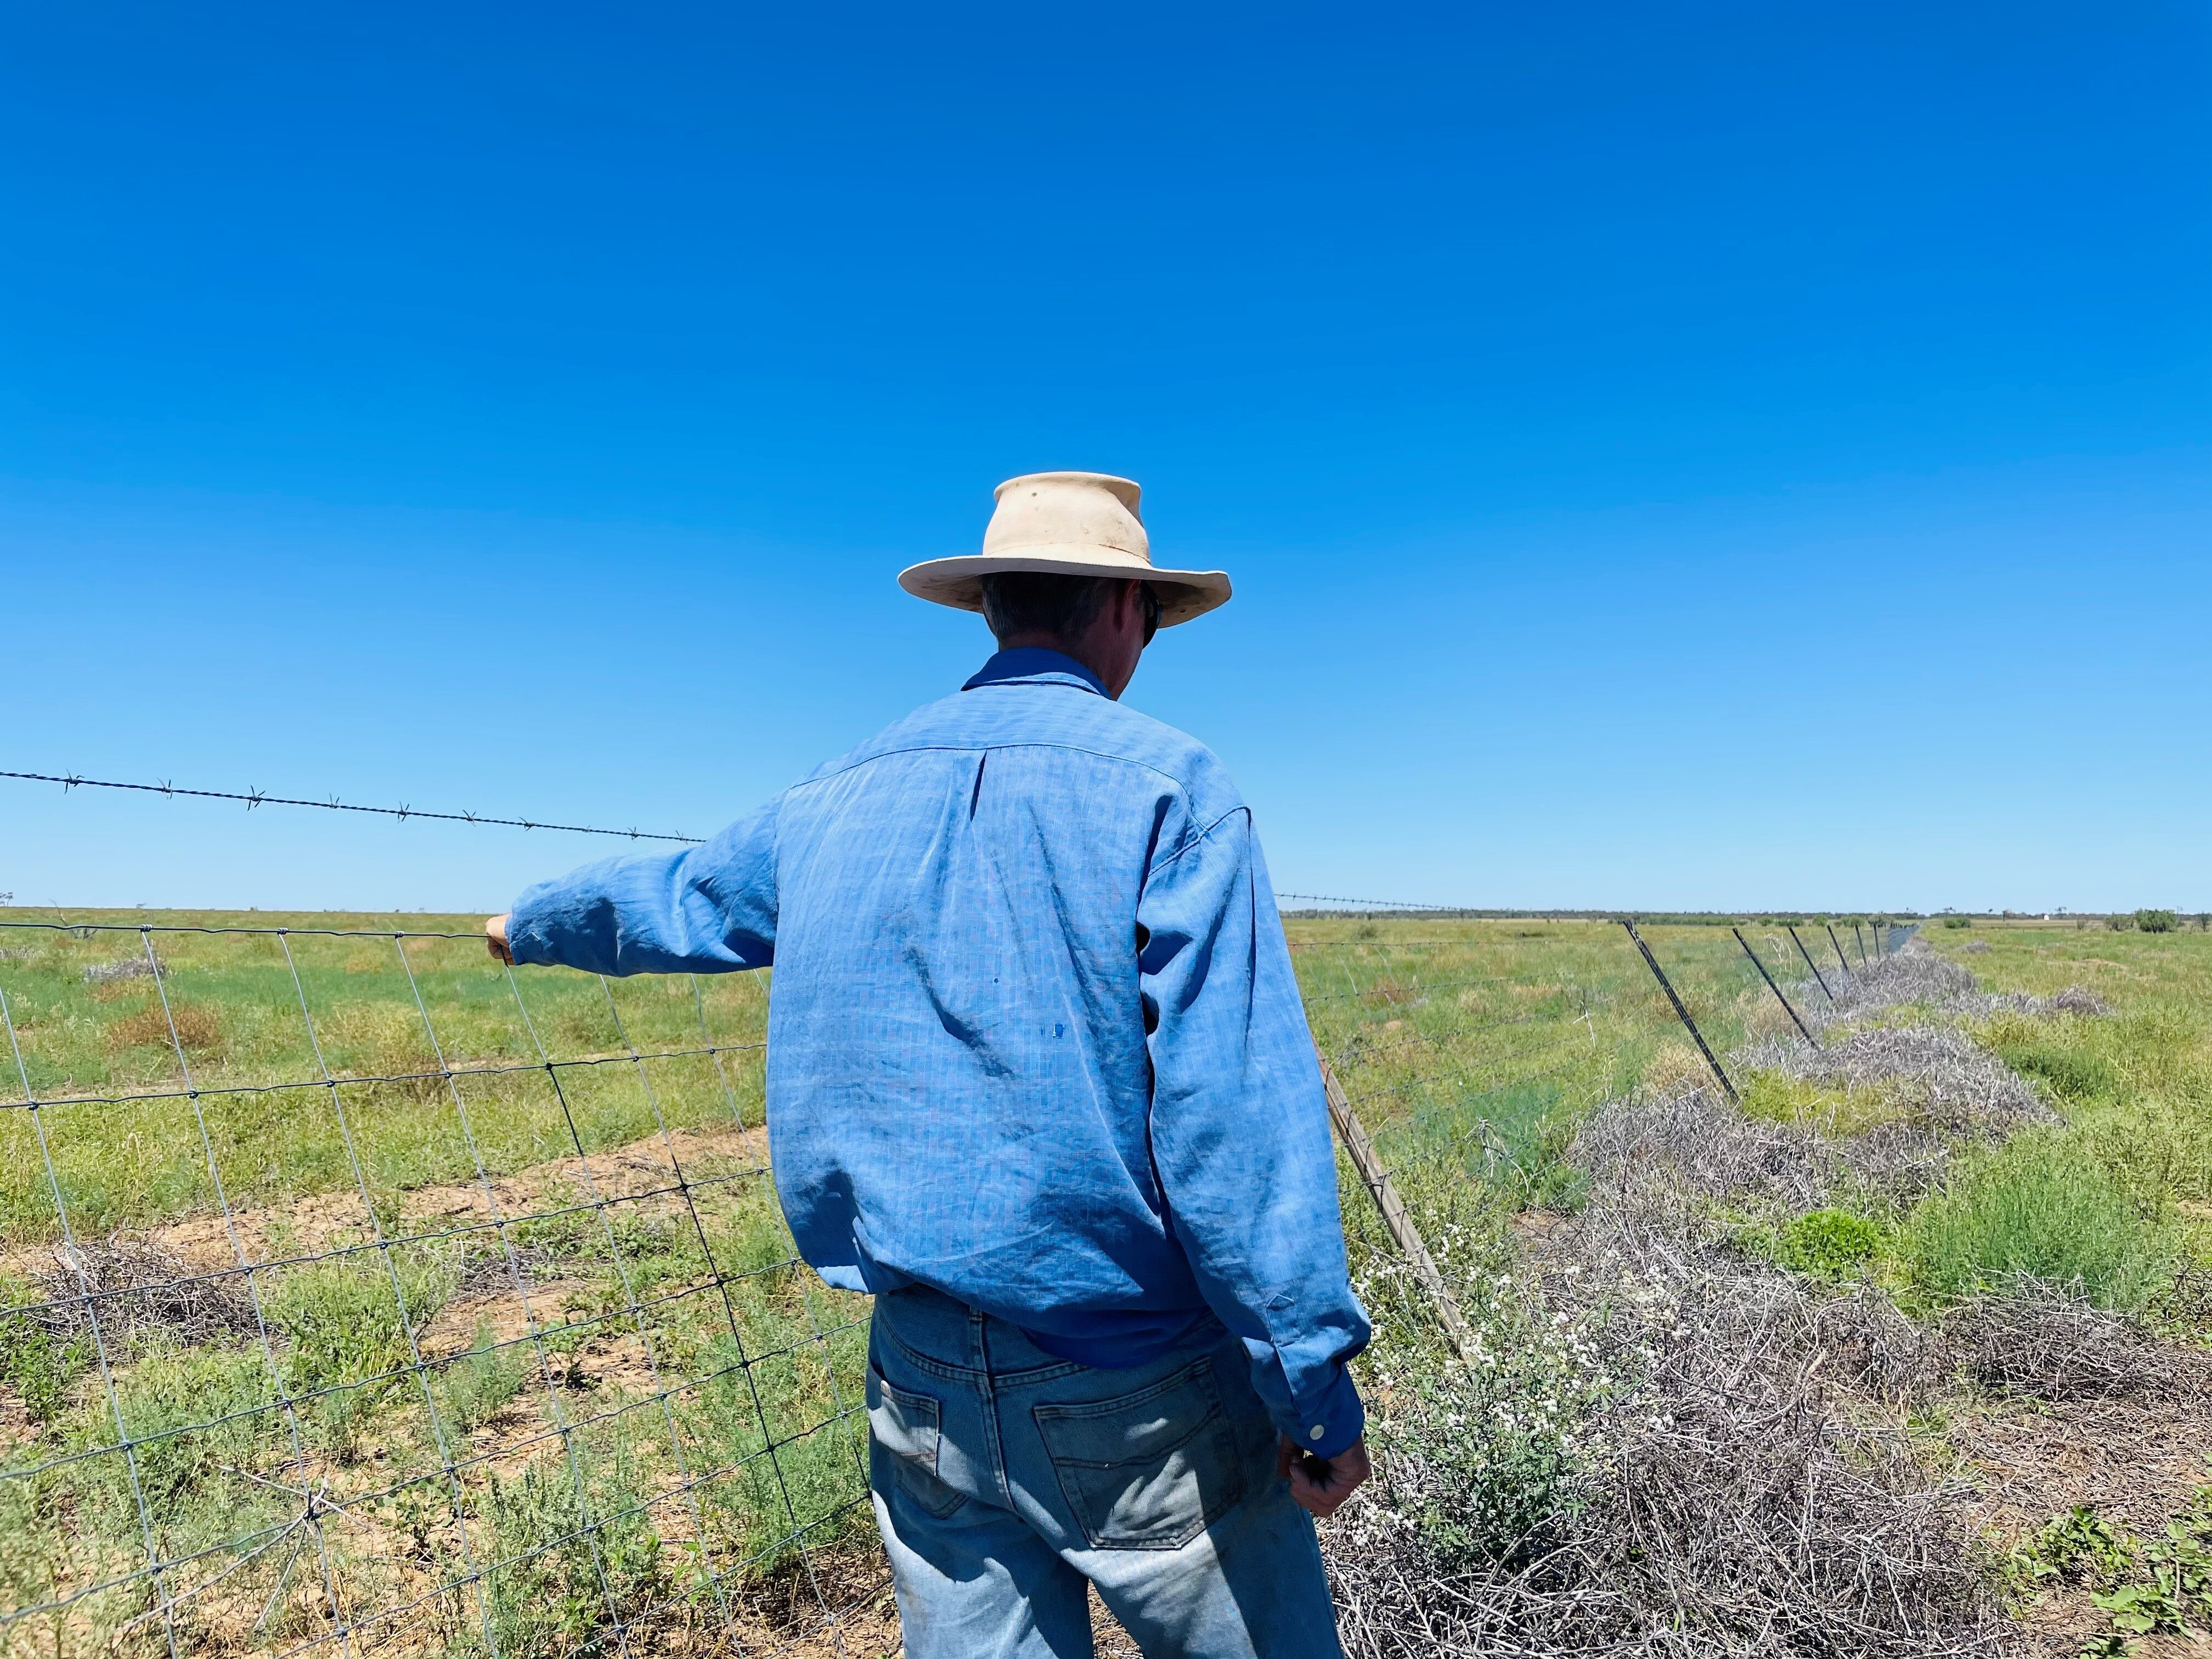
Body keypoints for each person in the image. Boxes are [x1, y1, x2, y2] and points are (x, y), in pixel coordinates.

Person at [486, 471, 1370, 1659]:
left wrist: (525, 922)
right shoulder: (1174, 788)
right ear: (1122, 610)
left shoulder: (835, 793)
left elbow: (681, 899)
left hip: (920, 1375)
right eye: (1151, 621)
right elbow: (1231, 1135)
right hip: (1138, 1377)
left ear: (994, 609)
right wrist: (1310, 1391)